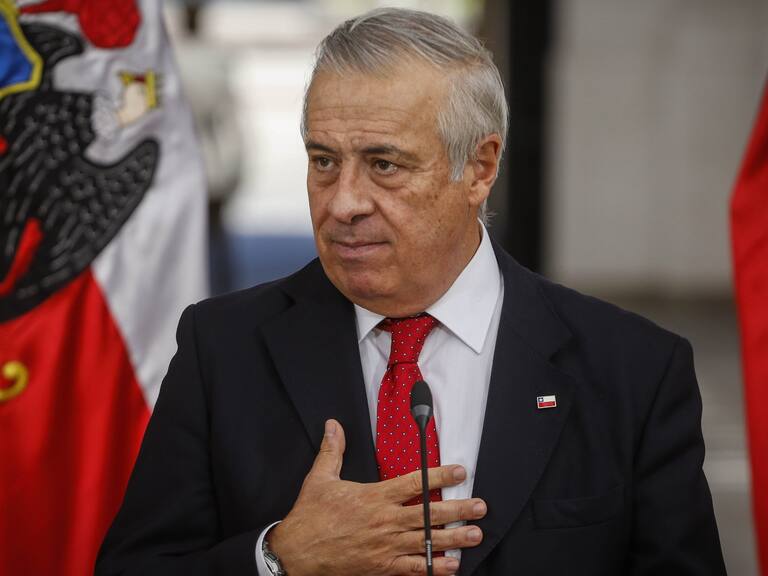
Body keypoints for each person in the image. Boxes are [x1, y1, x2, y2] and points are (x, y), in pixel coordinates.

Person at [96, 8, 727, 576]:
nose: (343, 203)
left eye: (384, 165)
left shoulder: (633, 370)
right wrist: (279, 557)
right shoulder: (222, 349)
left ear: (479, 168)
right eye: (323, 161)